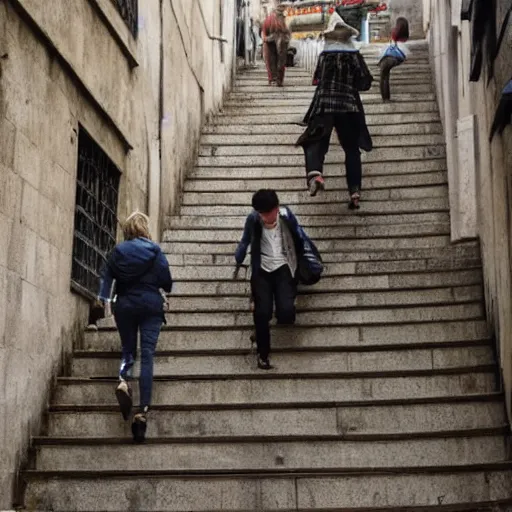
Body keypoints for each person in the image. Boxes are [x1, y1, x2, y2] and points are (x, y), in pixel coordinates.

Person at [98, 211, 173, 443]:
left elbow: (106, 279)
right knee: (147, 354)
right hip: (151, 305)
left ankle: (123, 380)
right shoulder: (155, 250)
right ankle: (142, 412)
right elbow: (167, 282)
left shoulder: (118, 251)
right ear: (145, 228)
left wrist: (105, 301)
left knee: (128, 348)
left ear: (128, 230)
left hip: (126, 305)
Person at [296, 12, 373, 209]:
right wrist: (350, 84)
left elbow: (317, 79)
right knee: (351, 149)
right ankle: (354, 191)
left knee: (314, 141)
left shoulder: (325, 55)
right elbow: (365, 82)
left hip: (324, 106)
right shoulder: (354, 56)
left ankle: (316, 174)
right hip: (348, 107)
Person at [235, 190, 316, 370]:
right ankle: (263, 354)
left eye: (269, 213)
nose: (266, 218)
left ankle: (283, 311)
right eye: (262, 214)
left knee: (286, 311)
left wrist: (305, 265)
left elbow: (299, 239)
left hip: (284, 267)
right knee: (262, 313)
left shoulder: (286, 217)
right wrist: (239, 256)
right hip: (262, 269)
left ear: (276, 209)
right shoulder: (253, 220)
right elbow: (245, 240)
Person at [379, 17, 410, 102]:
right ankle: (386, 98)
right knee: (385, 76)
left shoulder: (395, 31)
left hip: (389, 57)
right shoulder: (406, 33)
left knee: (383, 77)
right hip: (397, 57)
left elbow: (393, 39)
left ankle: (385, 98)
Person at [262, 4, 291, 86]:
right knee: (271, 60)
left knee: (281, 61)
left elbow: (288, 31)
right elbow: (264, 30)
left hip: (281, 40)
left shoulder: (286, 19)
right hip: (271, 40)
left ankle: (278, 79)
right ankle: (273, 78)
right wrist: (265, 38)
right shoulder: (270, 19)